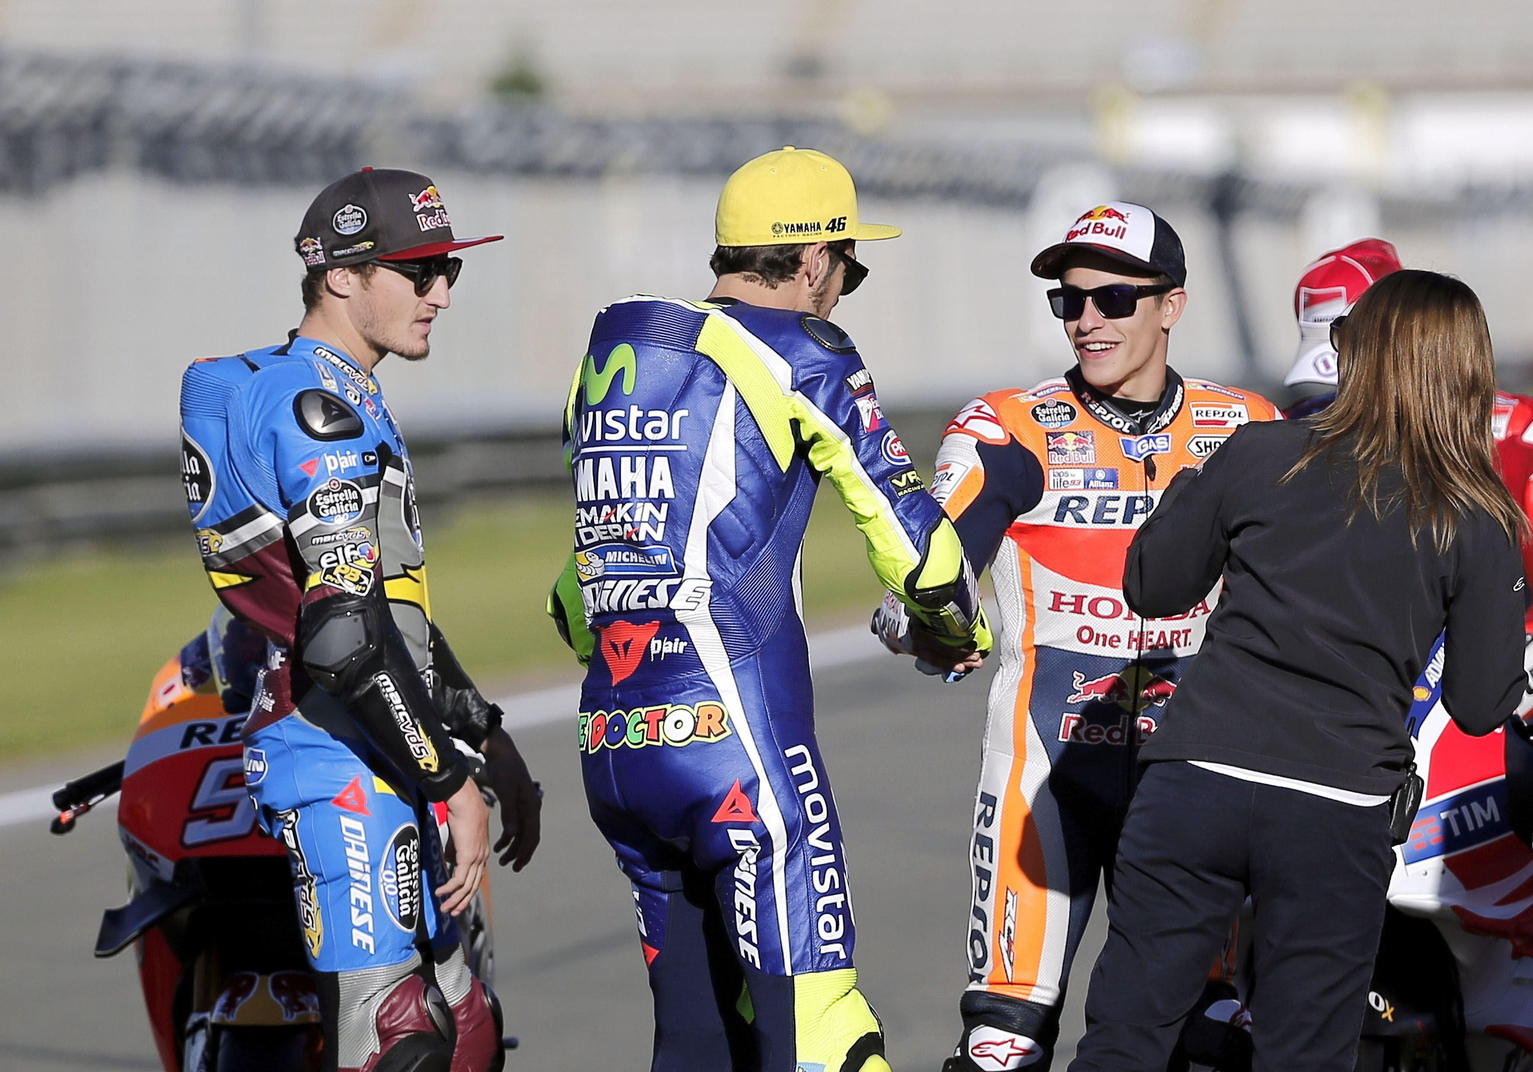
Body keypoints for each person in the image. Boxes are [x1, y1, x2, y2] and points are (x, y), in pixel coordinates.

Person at [544, 145, 992, 1072]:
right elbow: (919, 547)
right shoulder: (801, 349)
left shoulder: (620, 361)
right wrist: (958, 629)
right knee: (825, 1038)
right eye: (851, 268)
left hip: (616, 752)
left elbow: (573, 590)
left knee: (699, 1039)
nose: (845, 289)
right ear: (817, 260)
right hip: (737, 750)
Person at [1067, 269, 1529, 1071]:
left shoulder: (1260, 452)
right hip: (1336, 806)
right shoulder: (1474, 513)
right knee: (1304, 1056)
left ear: (1358, 357)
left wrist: (1187, 489)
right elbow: (1484, 702)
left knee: (1125, 1041)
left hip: (1196, 781)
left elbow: (1153, 585)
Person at [876, 201, 1279, 1071]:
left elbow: (1310, 594)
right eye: (1070, 301)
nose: (1087, 319)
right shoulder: (1009, 422)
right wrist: (925, 615)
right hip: (1045, 773)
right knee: (1001, 1042)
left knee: (1206, 1033)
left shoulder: (1249, 425)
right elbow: (929, 565)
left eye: (1113, 299)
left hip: (1195, 779)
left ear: (1171, 305)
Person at [179, 168, 542, 1072]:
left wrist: (483, 736)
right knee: (398, 1042)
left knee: (467, 1036)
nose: (442, 293)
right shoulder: (319, 411)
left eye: (449, 269)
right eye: (418, 273)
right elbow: (342, 636)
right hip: (333, 753)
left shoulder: (341, 392)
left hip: (384, 740)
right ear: (340, 275)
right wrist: (450, 784)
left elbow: (388, 610)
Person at [1284, 238, 1533, 1061]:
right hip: (1326, 748)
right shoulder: (1295, 432)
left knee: (1498, 993)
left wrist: (1475, 707)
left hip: (1486, 760)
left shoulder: (1530, 432)